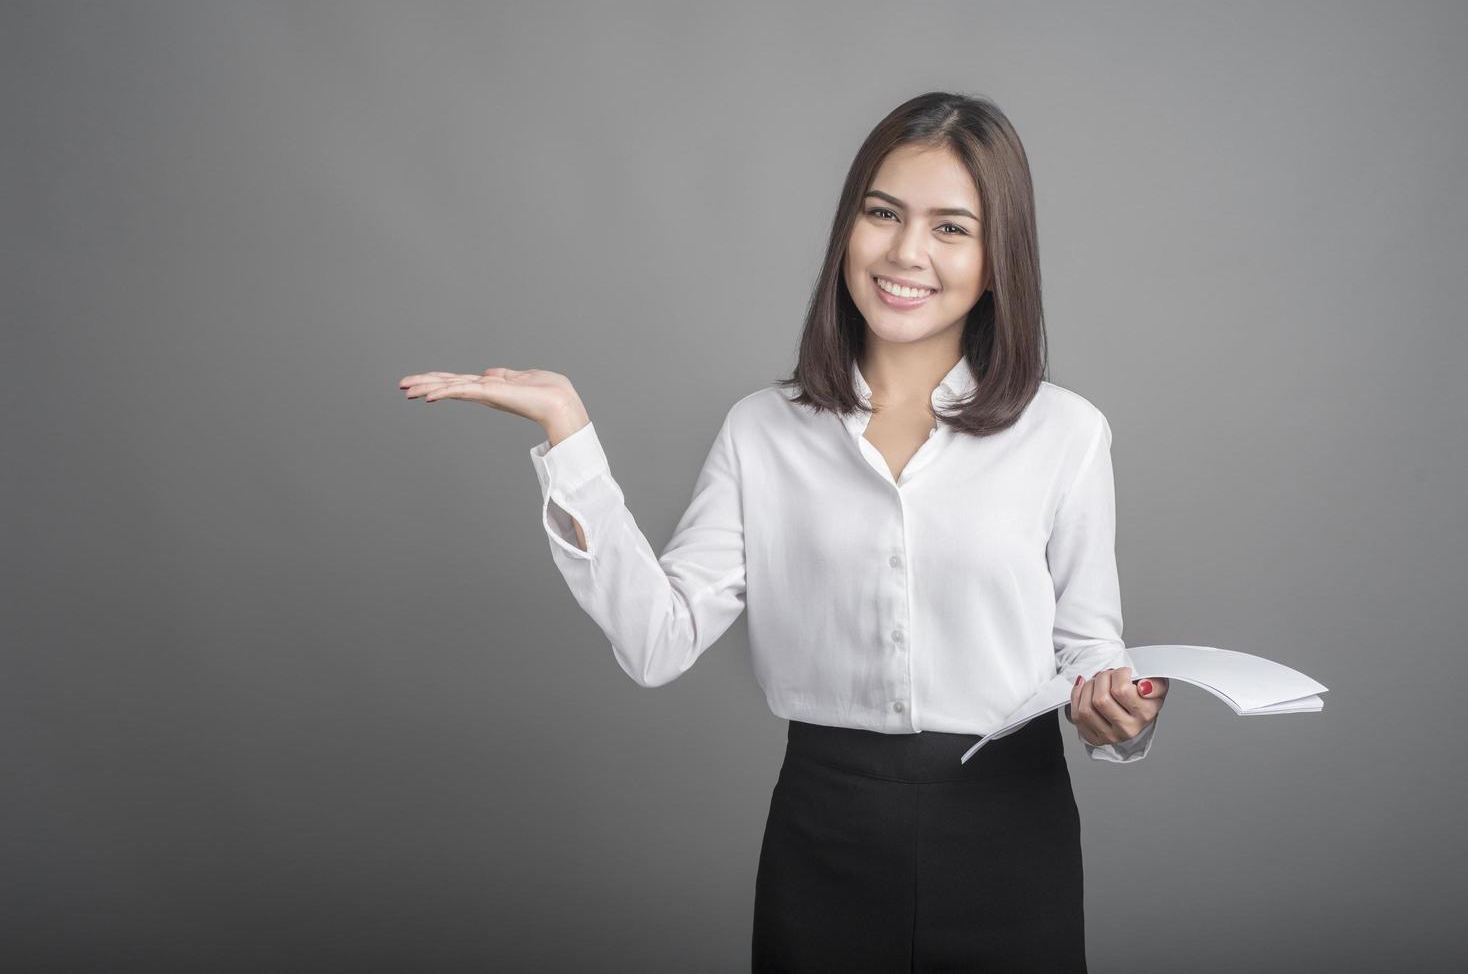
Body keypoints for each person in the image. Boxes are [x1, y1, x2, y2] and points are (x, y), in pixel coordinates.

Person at [398, 90, 1169, 973]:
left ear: (998, 261)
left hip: (1011, 832)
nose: (906, 252)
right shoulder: (762, 430)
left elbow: (1088, 650)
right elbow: (659, 642)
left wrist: (1123, 718)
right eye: (884, 213)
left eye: (951, 228)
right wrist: (569, 436)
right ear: (849, 228)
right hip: (825, 833)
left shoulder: (1064, 432)